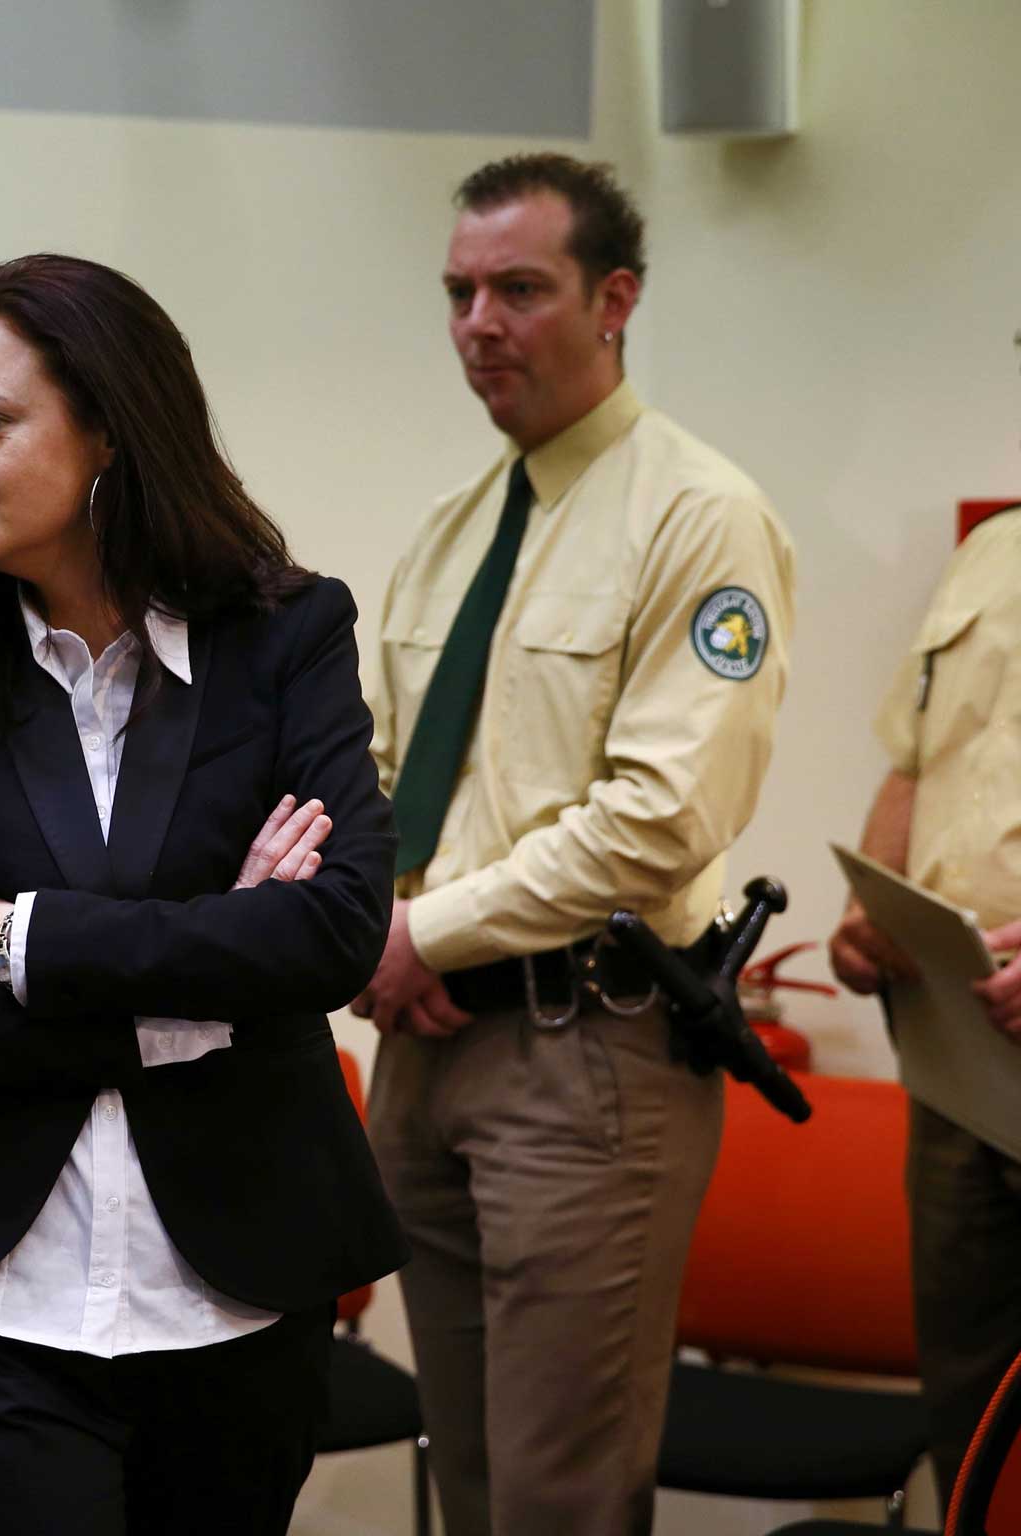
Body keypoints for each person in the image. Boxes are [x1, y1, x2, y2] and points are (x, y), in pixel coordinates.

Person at [0, 252, 407, 1535]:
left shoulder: (285, 637)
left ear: (105, 428)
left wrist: (35, 940)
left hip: (236, 1302)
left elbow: (329, 931)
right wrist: (195, 991)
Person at [357, 153, 796, 1535]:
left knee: (558, 1501)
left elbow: (662, 817)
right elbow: (376, 776)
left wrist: (421, 929)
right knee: (473, 1484)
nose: (479, 323)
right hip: (425, 1048)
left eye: (519, 289)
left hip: (585, 1054)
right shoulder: (451, 534)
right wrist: (376, 919)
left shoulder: (698, 515)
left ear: (617, 300)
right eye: (459, 293)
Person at [827, 501, 1021, 1512]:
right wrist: (869, 904)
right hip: (957, 1063)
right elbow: (917, 757)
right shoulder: (991, 550)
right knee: (967, 1402)